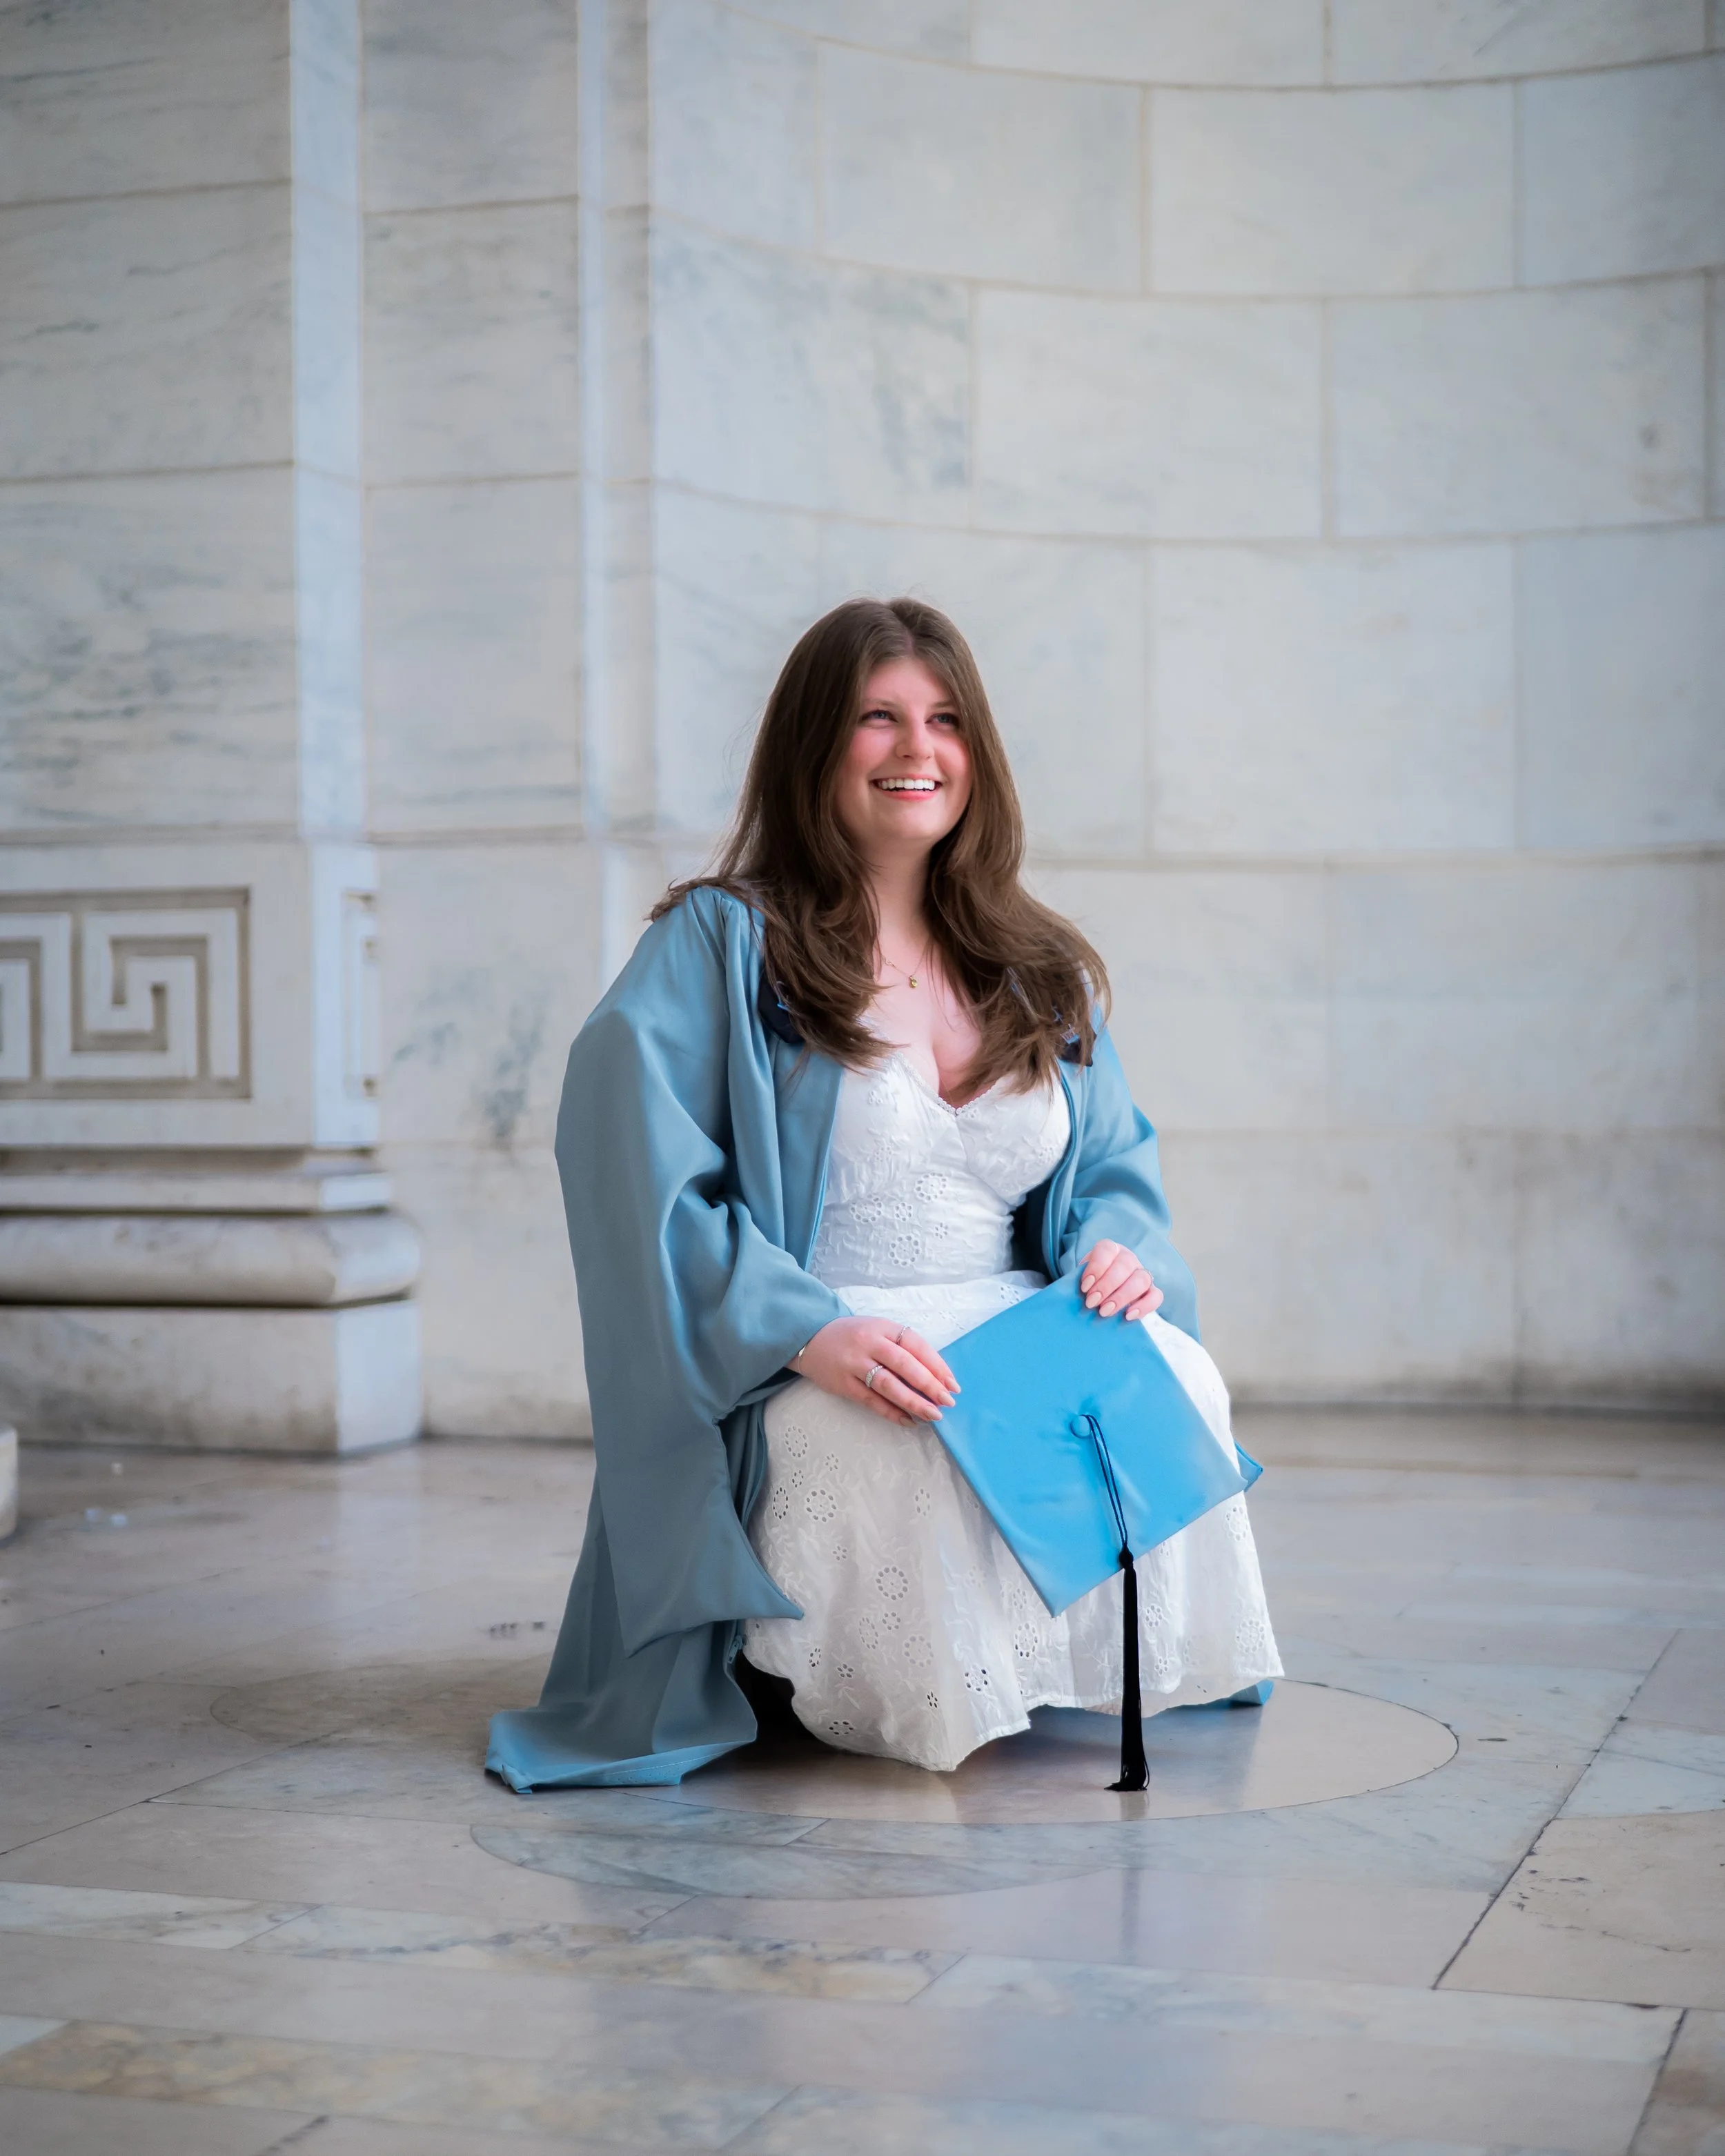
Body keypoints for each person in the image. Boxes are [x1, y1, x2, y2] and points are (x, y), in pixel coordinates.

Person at [486, 598, 1279, 1792]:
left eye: (946, 719)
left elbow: (1113, 1163)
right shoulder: (722, 943)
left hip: (1013, 1306)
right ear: (814, 745)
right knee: (914, 1431)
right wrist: (806, 1333)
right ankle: (899, 1681)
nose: (919, 749)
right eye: (878, 718)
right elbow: (631, 1170)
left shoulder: (1036, 964)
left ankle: (1063, 1661)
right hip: (824, 1335)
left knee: (1179, 1373)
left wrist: (1116, 1247)